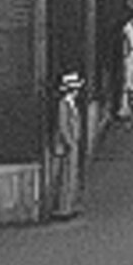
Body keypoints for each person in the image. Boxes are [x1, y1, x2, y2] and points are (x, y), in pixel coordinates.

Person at [48, 72, 85, 220]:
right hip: (66, 145)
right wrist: (71, 142)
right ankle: (63, 208)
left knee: (71, 176)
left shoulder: (70, 103)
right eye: (76, 89)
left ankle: (69, 205)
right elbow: (63, 126)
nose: (78, 92)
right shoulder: (64, 104)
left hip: (71, 143)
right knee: (65, 176)